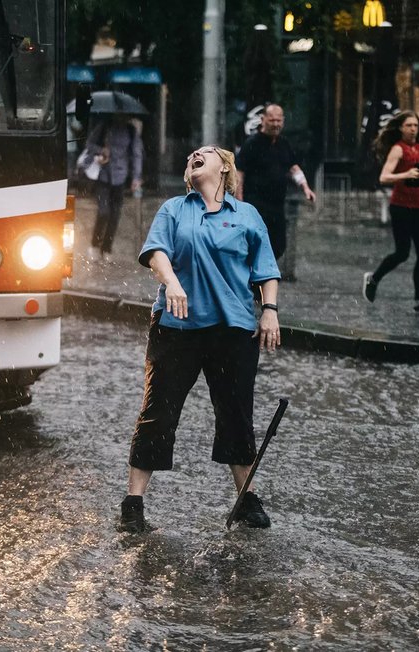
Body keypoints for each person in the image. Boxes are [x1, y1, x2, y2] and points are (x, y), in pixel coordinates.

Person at [118, 144, 282, 533]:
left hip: (234, 329)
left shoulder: (246, 215)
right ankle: (133, 503)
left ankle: (247, 499)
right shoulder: (175, 209)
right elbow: (156, 253)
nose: (194, 154)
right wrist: (172, 282)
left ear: (224, 167)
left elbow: (265, 269)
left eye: (204, 152)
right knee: (158, 412)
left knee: (237, 414)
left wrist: (270, 310)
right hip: (177, 329)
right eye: (191, 153)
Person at [362, 110, 419, 313]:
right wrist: (405, 173)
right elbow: (384, 177)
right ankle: (373, 279)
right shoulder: (398, 150)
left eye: (416, 125)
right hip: (400, 207)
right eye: (409, 125)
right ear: (401, 128)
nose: (413, 129)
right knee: (402, 253)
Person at [236, 104, 316, 260]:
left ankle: (263, 274)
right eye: (272, 120)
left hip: (277, 205)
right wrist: (239, 201)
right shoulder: (251, 143)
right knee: (255, 243)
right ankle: (255, 277)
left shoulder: (283, 144)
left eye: (279, 120)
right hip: (255, 204)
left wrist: (306, 188)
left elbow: (294, 168)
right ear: (263, 120)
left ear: (283, 121)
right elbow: (239, 173)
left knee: (279, 245)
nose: (275, 124)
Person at [84, 114, 143, 261]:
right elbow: (89, 144)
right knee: (103, 211)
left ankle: (106, 248)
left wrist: (136, 177)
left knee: (115, 215)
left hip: (120, 176)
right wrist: (101, 150)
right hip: (103, 175)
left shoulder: (131, 131)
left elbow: (136, 154)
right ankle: (94, 245)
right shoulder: (104, 126)